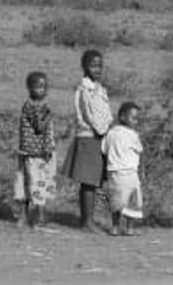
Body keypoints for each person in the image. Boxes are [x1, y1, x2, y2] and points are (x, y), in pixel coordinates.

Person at [61, 49, 113, 233]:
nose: (97, 69)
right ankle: (87, 222)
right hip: (90, 137)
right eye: (93, 65)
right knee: (89, 182)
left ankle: (88, 220)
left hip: (98, 137)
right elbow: (91, 115)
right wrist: (103, 130)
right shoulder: (85, 89)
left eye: (99, 65)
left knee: (94, 182)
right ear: (84, 67)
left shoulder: (99, 88)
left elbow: (105, 113)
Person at [14, 71, 56, 227]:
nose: (42, 90)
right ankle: (36, 217)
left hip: (39, 152)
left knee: (36, 183)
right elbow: (40, 126)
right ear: (29, 88)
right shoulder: (32, 105)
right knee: (34, 183)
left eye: (44, 87)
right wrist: (49, 115)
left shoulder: (39, 105)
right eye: (38, 87)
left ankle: (31, 217)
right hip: (33, 153)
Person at [102, 101, 144, 236]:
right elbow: (140, 151)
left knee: (116, 200)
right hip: (130, 173)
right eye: (133, 118)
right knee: (131, 201)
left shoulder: (110, 133)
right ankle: (130, 228)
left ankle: (115, 227)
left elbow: (104, 150)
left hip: (114, 172)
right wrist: (141, 170)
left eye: (137, 119)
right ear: (122, 117)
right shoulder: (133, 135)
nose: (136, 121)